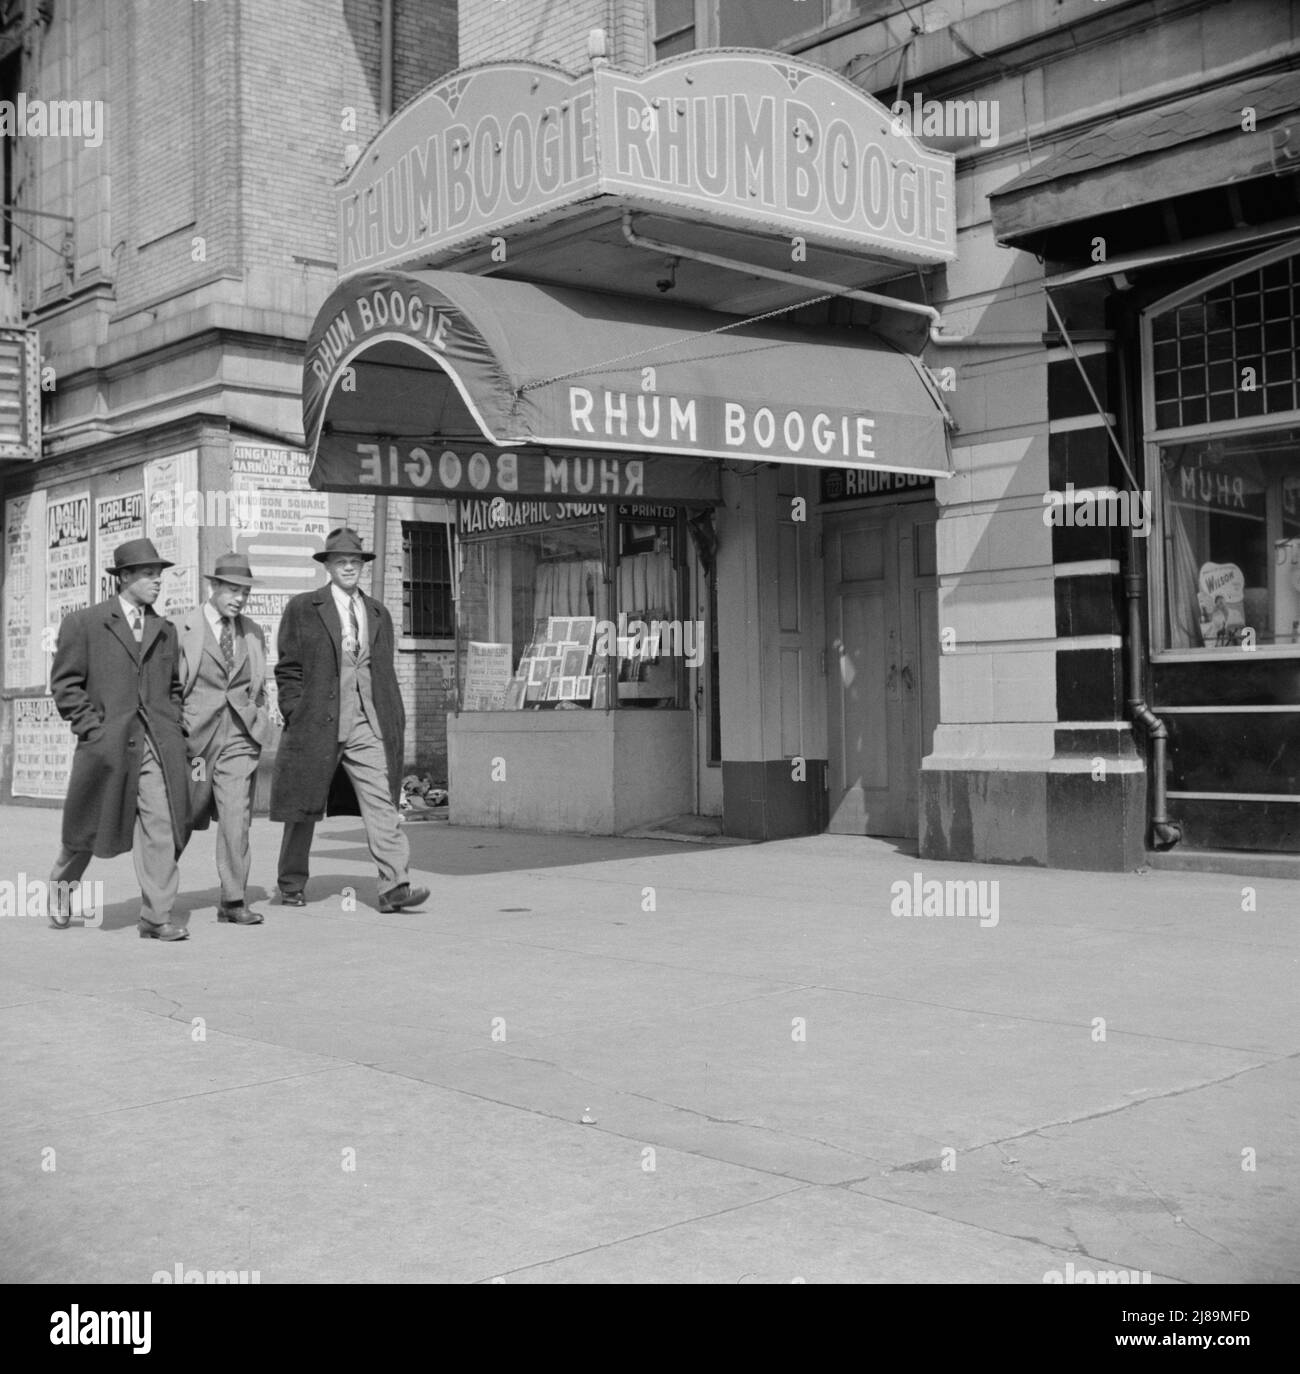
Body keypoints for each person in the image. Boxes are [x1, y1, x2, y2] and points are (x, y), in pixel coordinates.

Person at [270, 527, 429, 913]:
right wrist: (295, 709)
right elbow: (288, 667)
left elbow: (384, 670)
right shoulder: (303, 608)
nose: (349, 568)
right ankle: (291, 884)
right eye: (341, 562)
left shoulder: (377, 612)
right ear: (328, 566)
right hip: (317, 722)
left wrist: (392, 716)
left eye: (355, 562)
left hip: (367, 722)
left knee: (381, 802)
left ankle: (395, 886)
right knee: (304, 807)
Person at [48, 538, 190, 940]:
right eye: (147, 574)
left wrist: (172, 724)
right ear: (124, 577)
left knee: (161, 826)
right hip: (107, 746)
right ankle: (61, 891)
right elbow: (66, 685)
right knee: (88, 831)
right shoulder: (86, 623)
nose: (156, 582)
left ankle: (156, 916)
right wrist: (92, 730)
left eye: (159, 575)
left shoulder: (165, 630)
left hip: (156, 746)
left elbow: (173, 687)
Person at [172, 553, 268, 925]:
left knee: (236, 819)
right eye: (232, 590)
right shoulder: (182, 627)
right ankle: (158, 888)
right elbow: (172, 686)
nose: (239, 598)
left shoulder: (253, 631)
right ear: (213, 587)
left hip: (239, 739)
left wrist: (258, 716)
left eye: (244, 591)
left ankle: (233, 900)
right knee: (184, 815)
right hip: (196, 742)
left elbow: (258, 682)